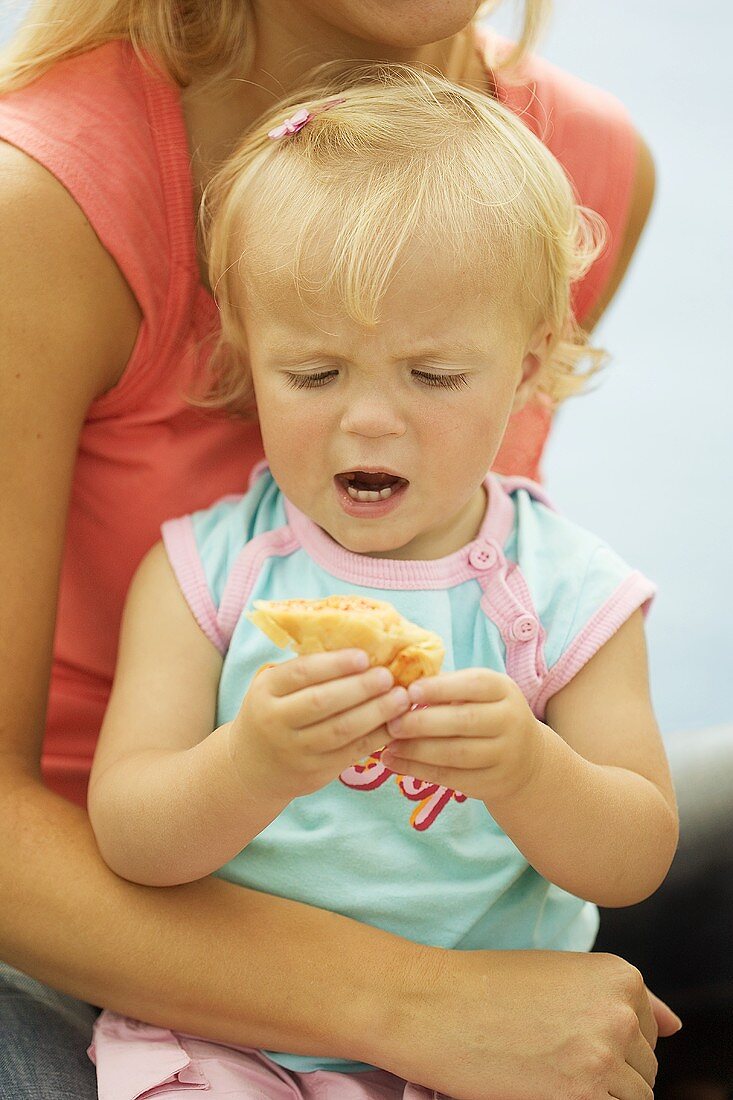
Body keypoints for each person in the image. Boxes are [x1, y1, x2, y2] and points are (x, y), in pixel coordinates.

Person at [0, 2, 684, 1098]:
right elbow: (131, 827)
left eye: (434, 374)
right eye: (315, 375)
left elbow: (627, 844)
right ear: (241, 351)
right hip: (117, 941)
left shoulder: (589, 167)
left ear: (528, 360)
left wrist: (524, 765)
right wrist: (415, 997)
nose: (372, 422)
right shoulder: (207, 569)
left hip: (473, 921)